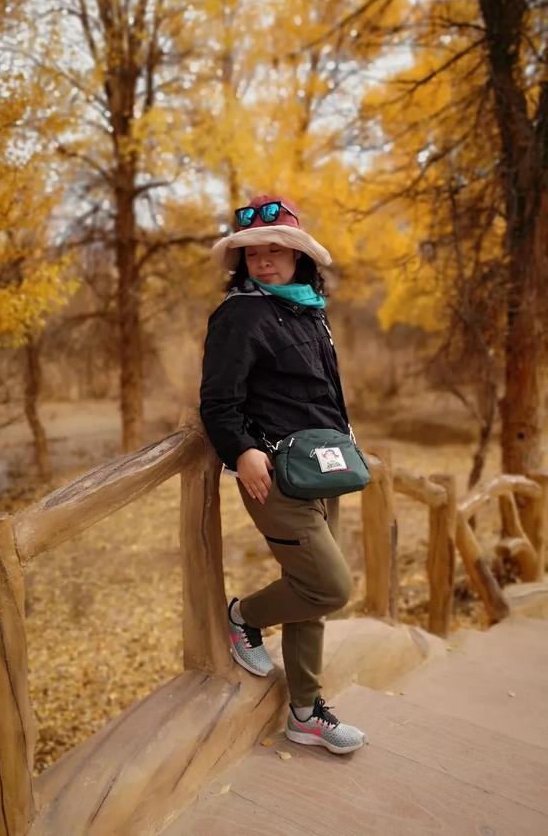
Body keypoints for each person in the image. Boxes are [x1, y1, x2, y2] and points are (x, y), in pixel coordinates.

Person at [200, 194, 367, 755]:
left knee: (311, 595)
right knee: (328, 586)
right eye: (253, 253)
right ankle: (242, 616)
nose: (264, 261)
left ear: (299, 257)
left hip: (324, 467)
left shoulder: (306, 309)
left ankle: (304, 711)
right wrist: (241, 450)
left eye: (277, 250)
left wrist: (345, 439)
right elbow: (218, 402)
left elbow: (319, 394)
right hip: (274, 475)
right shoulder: (240, 315)